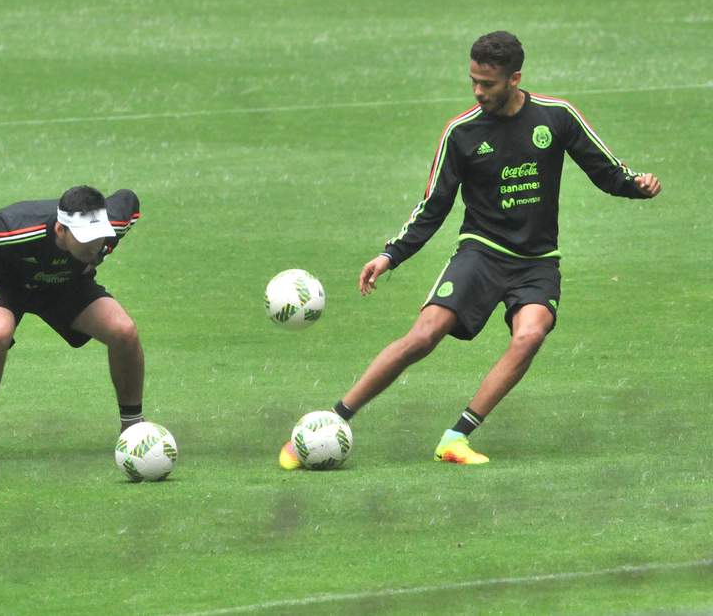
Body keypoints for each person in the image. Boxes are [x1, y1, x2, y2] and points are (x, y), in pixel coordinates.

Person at [280, 31, 661, 468]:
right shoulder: (461, 132)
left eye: (488, 84)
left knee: (530, 335)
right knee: (423, 336)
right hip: (480, 253)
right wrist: (390, 255)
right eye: (473, 81)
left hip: (537, 261)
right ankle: (331, 421)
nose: (478, 91)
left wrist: (637, 185)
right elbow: (434, 205)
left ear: (514, 79)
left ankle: (455, 438)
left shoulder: (556, 117)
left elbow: (605, 171)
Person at [0, 185, 144, 462]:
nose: (93, 244)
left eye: (98, 237)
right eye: (85, 240)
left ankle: (133, 428)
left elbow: (130, 201)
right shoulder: (12, 228)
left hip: (63, 285)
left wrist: (100, 252)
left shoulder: (109, 223)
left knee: (124, 331)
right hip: (4, 283)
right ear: (60, 230)